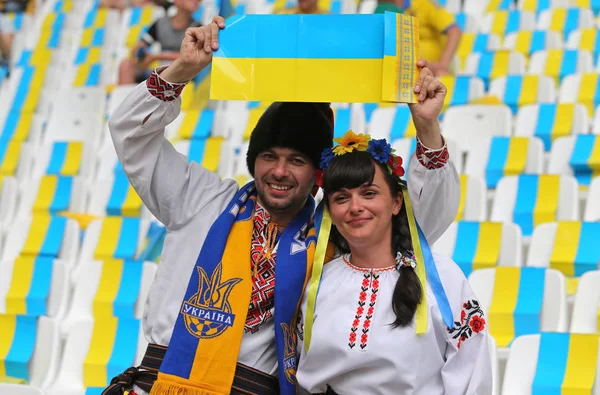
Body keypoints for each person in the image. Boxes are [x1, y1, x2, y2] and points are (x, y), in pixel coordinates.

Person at [106, 15, 460, 395]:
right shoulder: (201, 199)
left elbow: (420, 220)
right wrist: (183, 69)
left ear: (317, 173)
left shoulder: (335, 232)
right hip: (157, 385)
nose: (279, 171)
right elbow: (131, 134)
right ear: (253, 159)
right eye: (269, 156)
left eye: (296, 160)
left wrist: (426, 128)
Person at [295, 131, 492, 393]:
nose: (355, 207)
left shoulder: (441, 277)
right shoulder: (318, 281)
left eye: (369, 193)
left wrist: (426, 125)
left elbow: (471, 368)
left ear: (397, 202)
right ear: (330, 211)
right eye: (341, 198)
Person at [118, 0, 200, 84]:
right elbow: (141, 45)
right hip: (160, 71)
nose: (197, 1)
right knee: (126, 65)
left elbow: (191, 57)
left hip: (181, 74)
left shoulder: (198, 29)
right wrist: (138, 56)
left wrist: (157, 57)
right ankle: (126, 96)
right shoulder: (161, 23)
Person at [375, 0, 462, 76]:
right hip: (403, 69)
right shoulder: (382, 8)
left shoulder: (424, 3)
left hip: (432, 69)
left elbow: (454, 31)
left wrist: (442, 65)